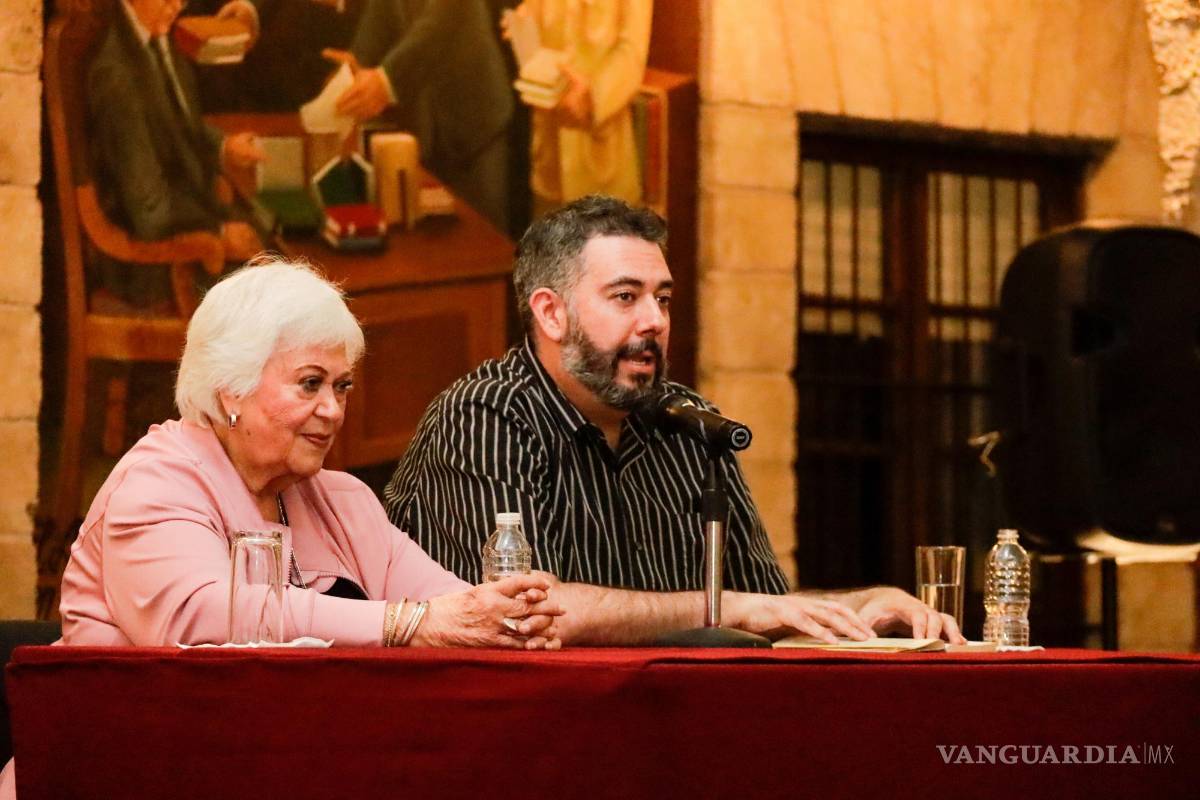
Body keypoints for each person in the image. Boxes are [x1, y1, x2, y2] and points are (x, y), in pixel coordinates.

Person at [385, 195, 966, 646]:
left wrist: (860, 608)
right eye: (625, 297)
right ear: (551, 313)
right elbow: (527, 612)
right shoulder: (486, 414)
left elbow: (761, 605)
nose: (655, 321)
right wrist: (729, 608)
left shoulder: (691, 424)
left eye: (662, 299)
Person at [89, 0, 270, 285]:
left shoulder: (158, 39)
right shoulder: (116, 78)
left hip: (194, 219)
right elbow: (150, 212)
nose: (178, 6)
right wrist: (219, 233)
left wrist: (224, 146)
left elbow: (178, 126)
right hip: (159, 265)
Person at [324, 0, 515, 232]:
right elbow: (380, 12)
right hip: (424, 123)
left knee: (484, 241)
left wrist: (385, 80)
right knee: (427, 241)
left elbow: (441, 19)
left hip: (474, 118)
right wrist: (357, 64)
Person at [506, 0, 651, 215]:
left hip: (602, 161)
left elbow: (632, 54)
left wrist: (593, 97)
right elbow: (530, 17)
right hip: (548, 155)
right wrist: (520, 26)